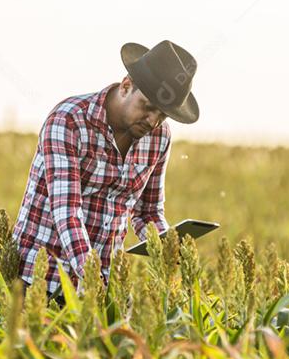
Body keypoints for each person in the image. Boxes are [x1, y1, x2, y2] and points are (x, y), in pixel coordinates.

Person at [11, 40, 200, 302]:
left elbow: (147, 212)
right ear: (126, 86)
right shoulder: (68, 121)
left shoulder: (159, 137)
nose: (153, 121)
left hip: (103, 284)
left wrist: (166, 247)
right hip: (39, 279)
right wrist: (91, 275)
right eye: (148, 107)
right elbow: (66, 211)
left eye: (162, 115)